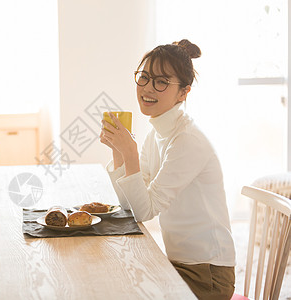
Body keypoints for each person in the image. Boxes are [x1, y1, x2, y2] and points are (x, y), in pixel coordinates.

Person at [100, 39, 236, 300]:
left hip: (208, 275)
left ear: (183, 93)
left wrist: (129, 152)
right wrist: (119, 153)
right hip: (179, 264)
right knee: (112, 278)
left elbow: (145, 211)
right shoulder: (157, 134)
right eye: (145, 77)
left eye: (161, 81)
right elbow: (133, 207)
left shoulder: (187, 140)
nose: (148, 88)